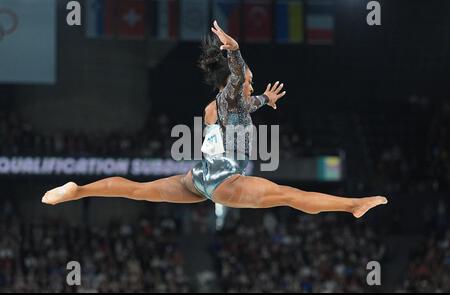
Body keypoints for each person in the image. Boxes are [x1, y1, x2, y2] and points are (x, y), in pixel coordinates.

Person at [42, 21, 387, 218]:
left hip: (199, 178)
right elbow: (238, 87)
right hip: (225, 181)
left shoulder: (218, 106)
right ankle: (354, 205)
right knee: (288, 195)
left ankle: (78, 190)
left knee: (136, 190)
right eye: (248, 79)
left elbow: (244, 105)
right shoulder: (231, 93)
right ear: (232, 82)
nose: (249, 82)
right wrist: (235, 51)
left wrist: (265, 99)